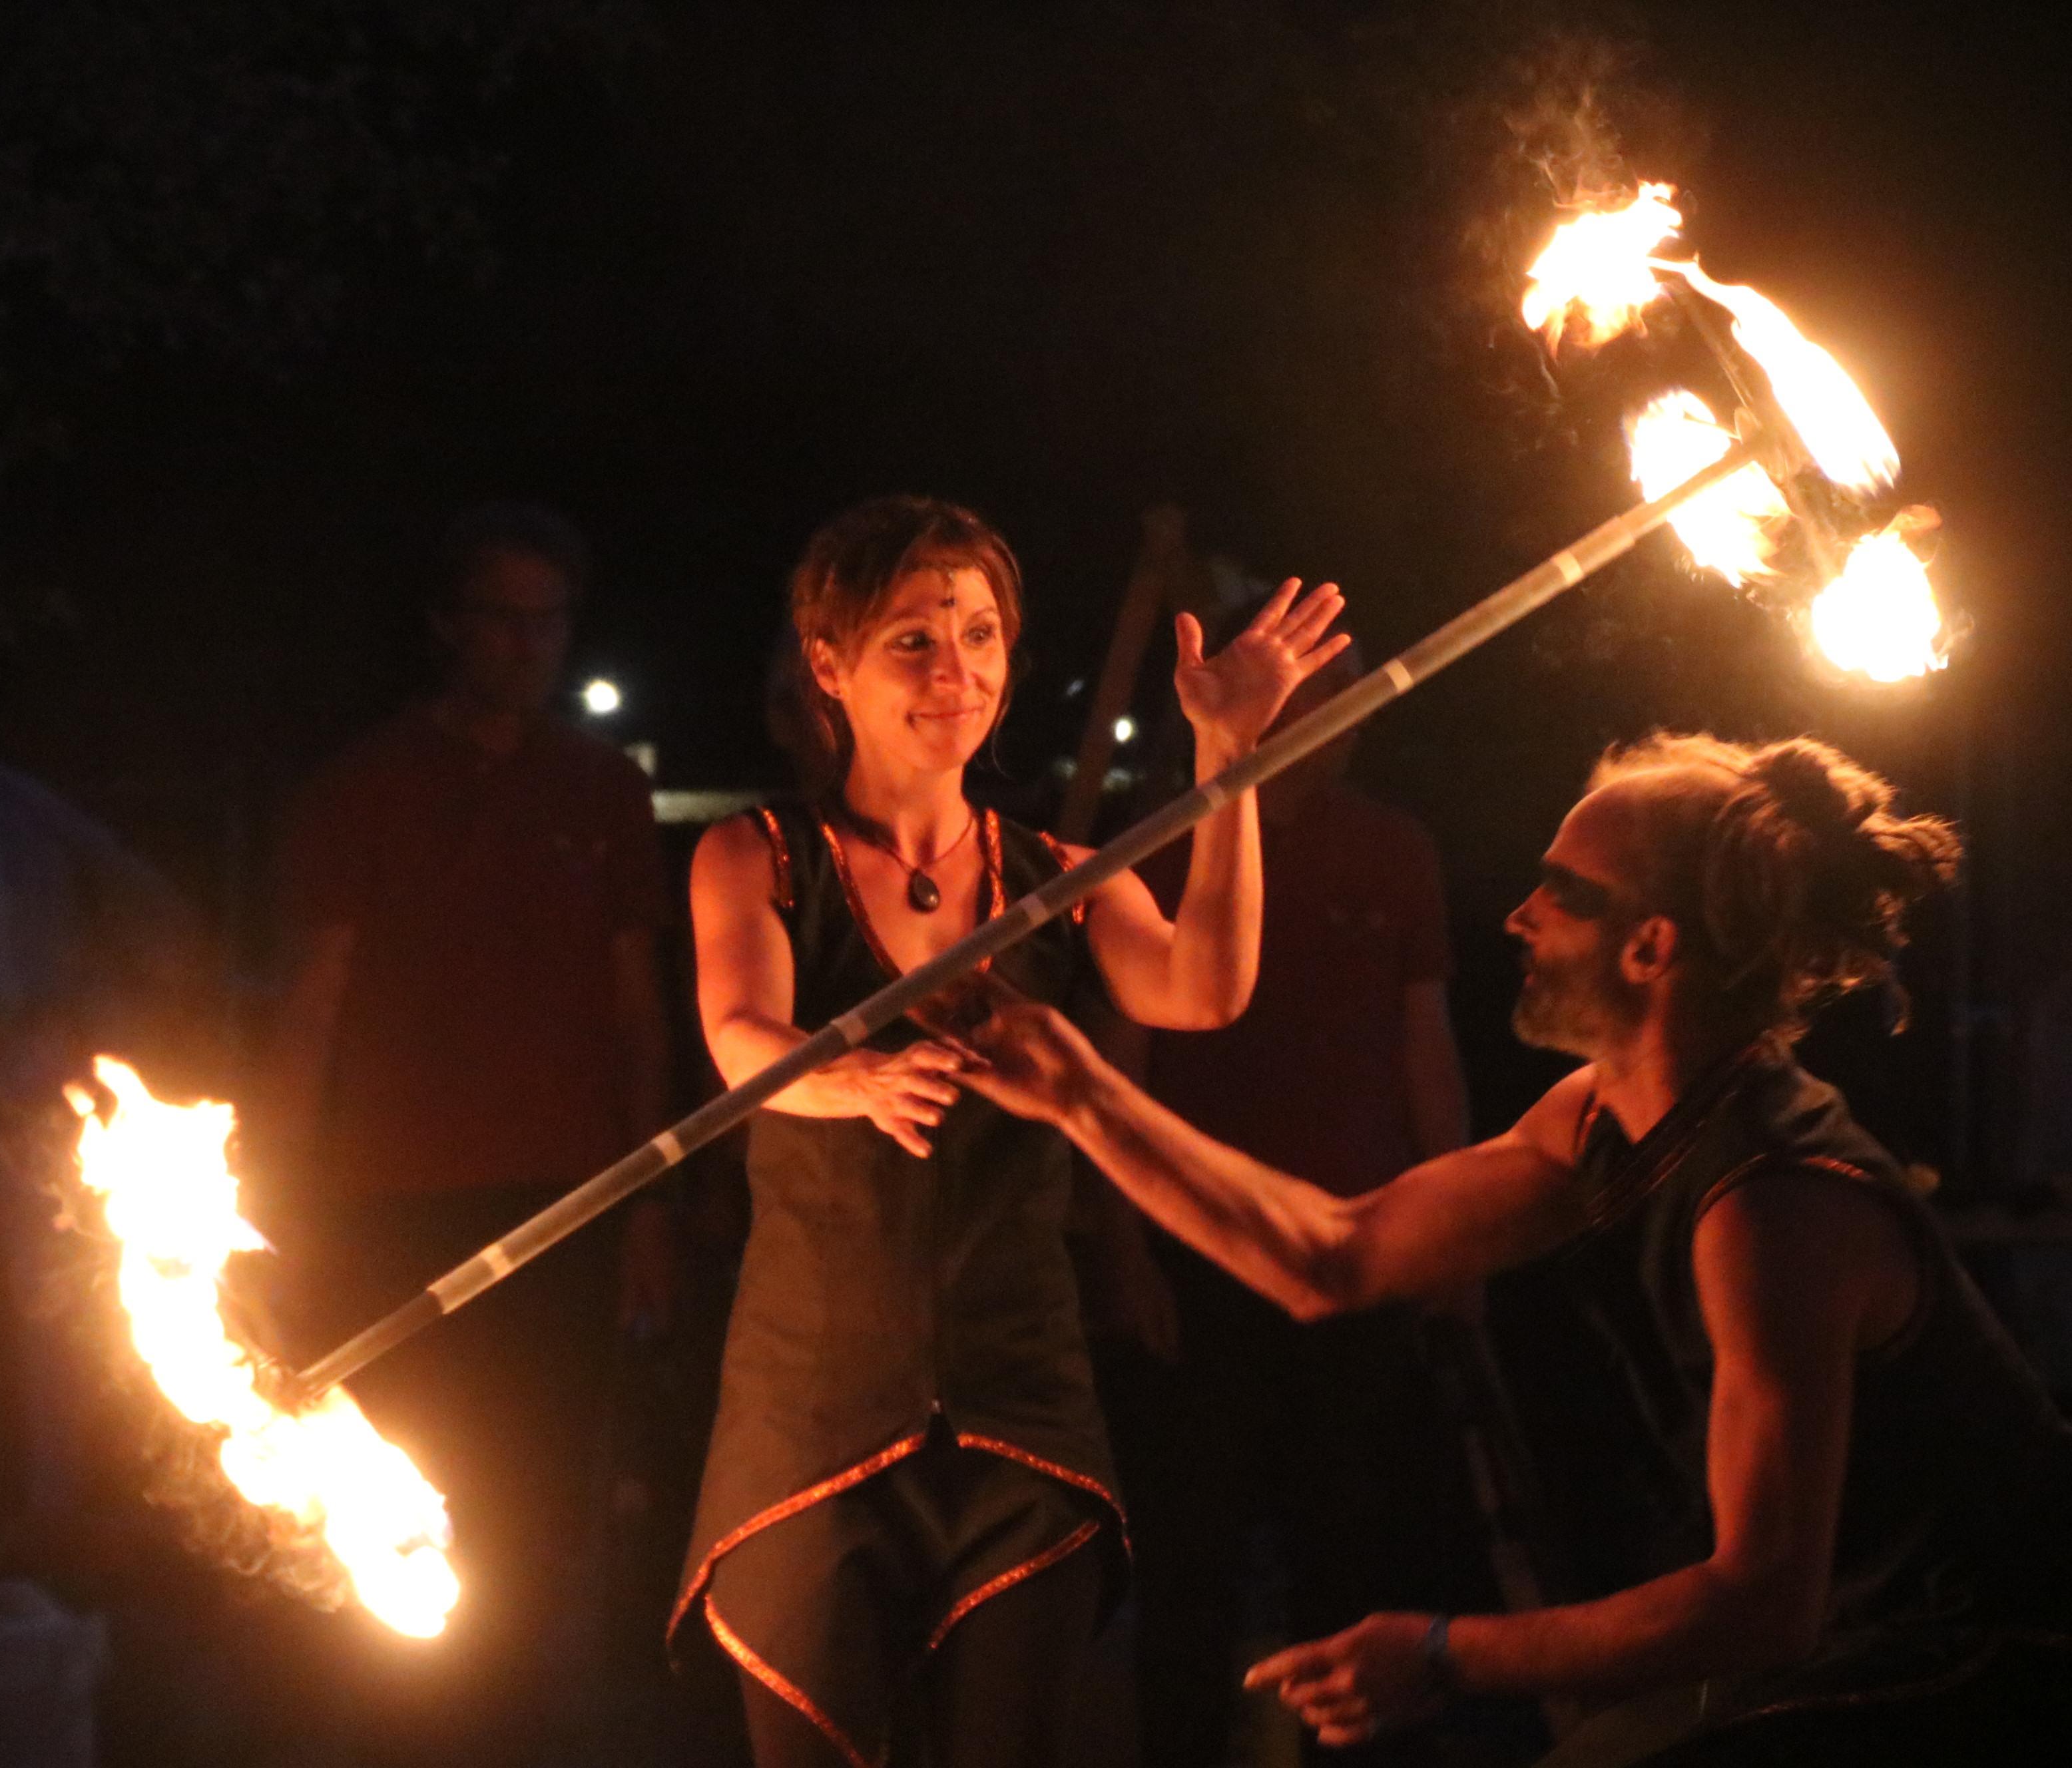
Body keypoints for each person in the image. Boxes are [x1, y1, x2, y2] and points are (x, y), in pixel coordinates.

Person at [945, 733, 2072, 1767]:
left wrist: (1443, 1653)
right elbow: (1330, 1256)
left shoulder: (1771, 1205)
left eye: (1562, 894)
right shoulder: (1605, 1116)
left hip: (1976, 1665)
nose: (1518, 918)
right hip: (1850, 1649)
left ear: (1651, 947)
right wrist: (1078, 1093)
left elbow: (1762, 1601)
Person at [675, 495, 1345, 1768]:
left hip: (1021, 1414)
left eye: (980, 636)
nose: (958, 673)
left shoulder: (1064, 878)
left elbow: (1206, 987)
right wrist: (856, 1081)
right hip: (809, 1417)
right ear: (829, 664)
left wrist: (1230, 757)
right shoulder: (756, 855)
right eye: (914, 642)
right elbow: (743, 1037)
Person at [252, 502, 672, 1759]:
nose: (530, 643)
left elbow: (636, 1006)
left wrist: (648, 1198)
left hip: (563, 1204)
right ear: (448, 626)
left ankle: (512, 1739)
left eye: (551, 619)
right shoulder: (361, 790)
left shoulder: (603, 791)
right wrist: (273, 1207)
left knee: (540, 1517)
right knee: (402, 1500)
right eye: (503, 617)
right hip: (390, 1204)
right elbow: (311, 1006)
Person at [1099, 640, 1501, 1765]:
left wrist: (1459, 1236)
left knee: (1349, 1543)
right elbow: (1119, 1067)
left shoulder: (1393, 850)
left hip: (1364, 1251)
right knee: (1190, 1554)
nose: (1343, 717)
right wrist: (1121, 1248)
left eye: (1353, 698)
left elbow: (1424, 1046)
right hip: (1201, 1253)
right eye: (1318, 693)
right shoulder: (1165, 845)